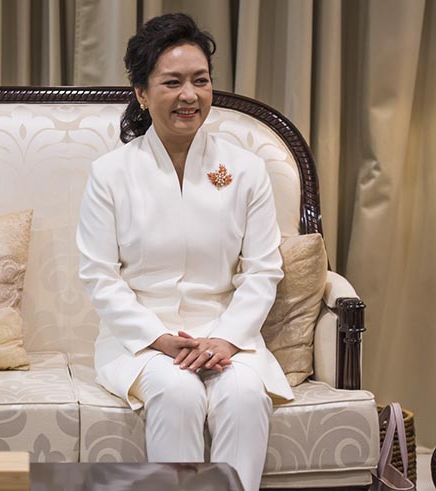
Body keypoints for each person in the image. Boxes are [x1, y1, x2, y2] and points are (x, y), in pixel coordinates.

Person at [76, 13, 293, 491]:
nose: (189, 95)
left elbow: (263, 270)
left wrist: (228, 339)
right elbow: (98, 275)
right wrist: (156, 337)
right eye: (171, 82)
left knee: (242, 394)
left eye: (201, 81)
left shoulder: (246, 169)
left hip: (225, 334)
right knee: (176, 391)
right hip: (142, 340)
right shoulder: (110, 174)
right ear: (141, 93)